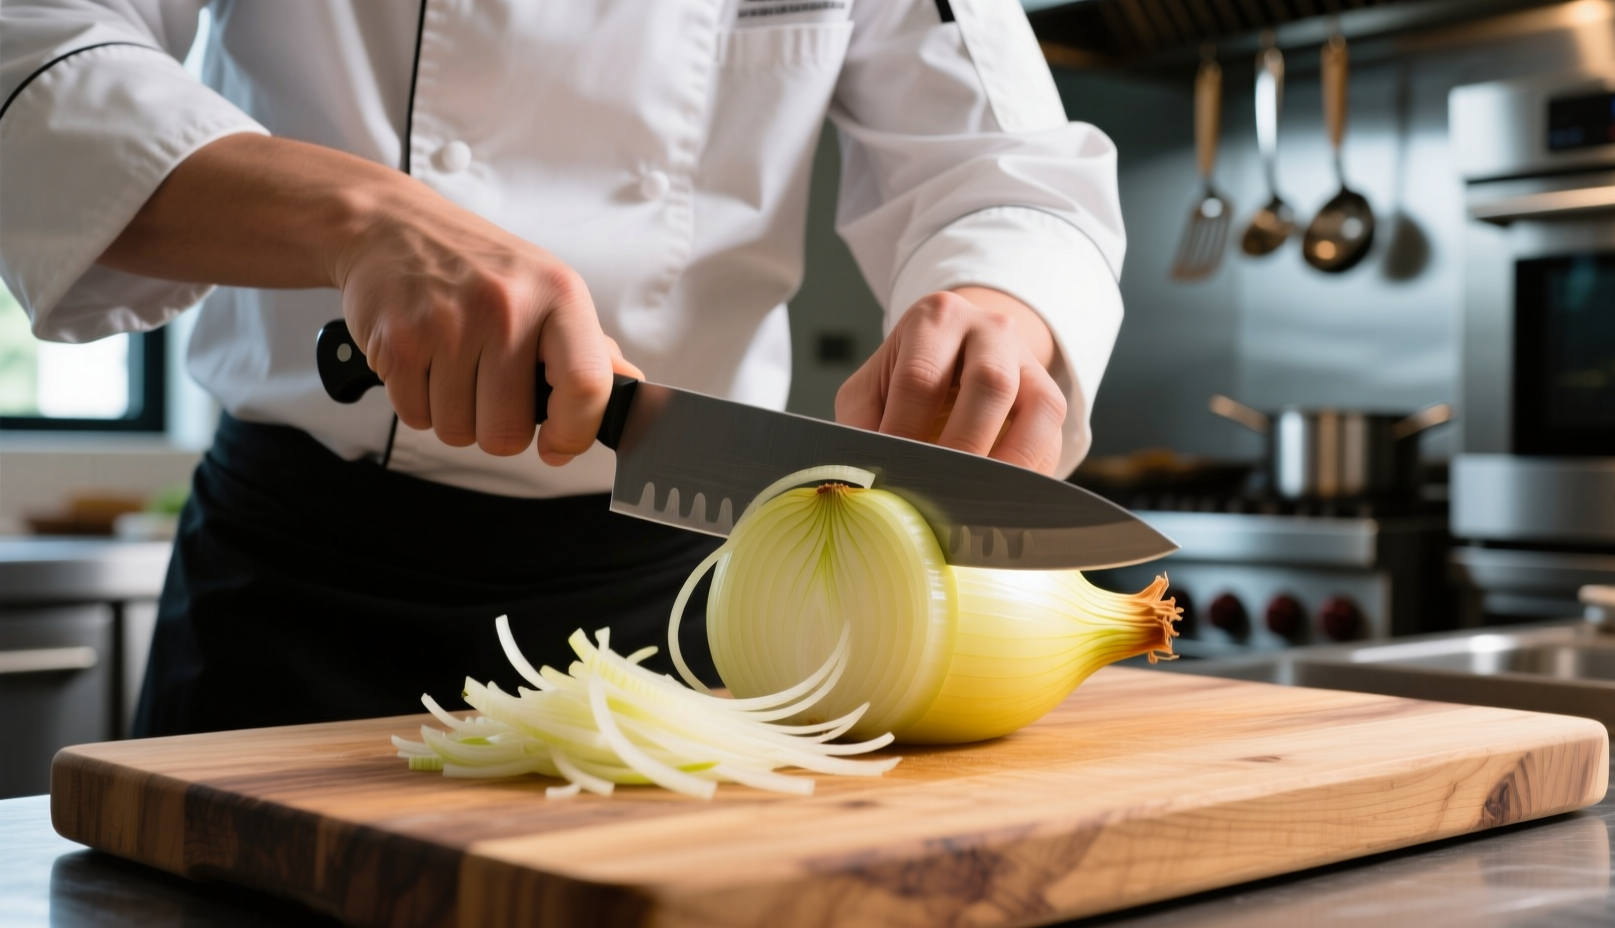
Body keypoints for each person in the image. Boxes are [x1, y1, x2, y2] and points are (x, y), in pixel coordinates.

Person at [0, 0, 1128, 736]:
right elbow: (35, 46)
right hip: (297, 600)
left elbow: (1004, 161)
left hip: (693, 625)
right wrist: (361, 216)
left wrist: (1000, 301)